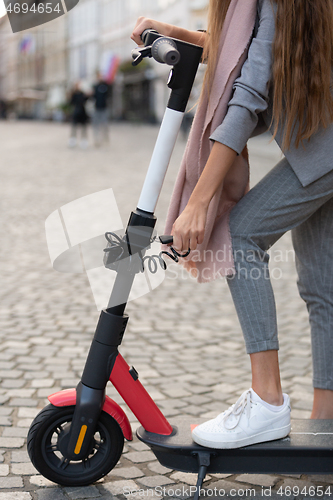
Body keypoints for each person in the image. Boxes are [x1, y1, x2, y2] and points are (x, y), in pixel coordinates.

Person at [131, 0, 333, 450]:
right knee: (324, 287)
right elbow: (244, 54)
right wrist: (169, 31)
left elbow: (249, 88)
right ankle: (327, 425)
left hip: (324, 147)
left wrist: (201, 198)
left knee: (240, 235)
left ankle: (266, 402)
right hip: (320, 142)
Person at [91, 74, 111, 147]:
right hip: (97, 108)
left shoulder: (106, 86)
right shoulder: (95, 86)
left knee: (105, 124)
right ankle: (97, 139)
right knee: (96, 125)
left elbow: (108, 94)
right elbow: (93, 96)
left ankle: (104, 139)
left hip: (104, 108)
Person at [68, 82, 89, 149]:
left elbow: (86, 100)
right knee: (74, 127)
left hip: (82, 112)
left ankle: (84, 140)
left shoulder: (82, 94)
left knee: (83, 128)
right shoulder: (73, 94)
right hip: (76, 112)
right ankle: (73, 140)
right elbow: (71, 102)